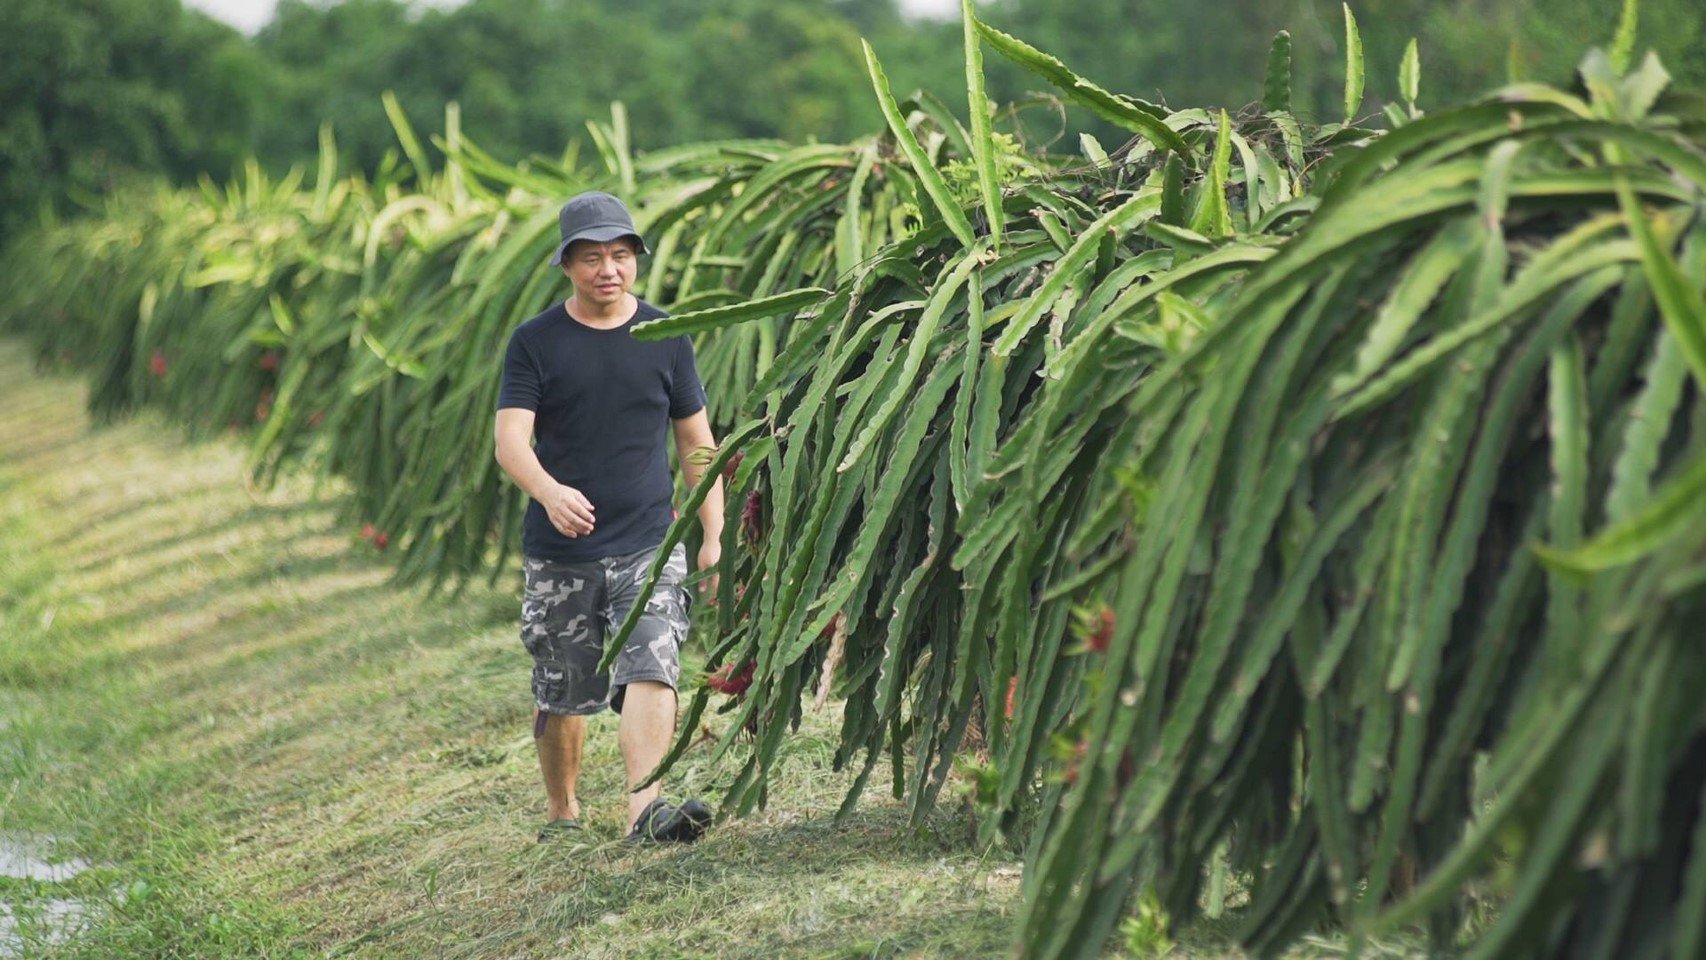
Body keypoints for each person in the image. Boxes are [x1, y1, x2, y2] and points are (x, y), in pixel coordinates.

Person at [493, 190, 725, 844]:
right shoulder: (535, 342)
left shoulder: (664, 334)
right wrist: (549, 492)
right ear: (567, 264)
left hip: (649, 542)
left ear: (636, 259)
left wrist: (714, 533)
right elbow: (510, 440)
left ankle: (644, 810)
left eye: (621, 255)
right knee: (563, 688)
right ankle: (562, 811)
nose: (608, 269)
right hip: (561, 553)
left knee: (654, 659)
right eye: (592, 258)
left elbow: (695, 441)